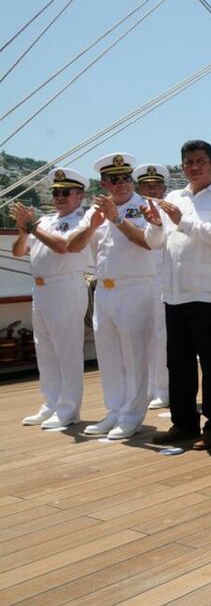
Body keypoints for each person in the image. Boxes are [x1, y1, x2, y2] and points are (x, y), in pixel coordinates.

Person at [143, 141, 211, 451]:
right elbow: (155, 242)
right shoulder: (173, 198)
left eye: (200, 161)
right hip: (175, 292)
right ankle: (183, 423)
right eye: (188, 162)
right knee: (178, 363)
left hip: (209, 293)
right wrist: (155, 224)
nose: (194, 167)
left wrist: (181, 220)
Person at [67, 153, 157, 440]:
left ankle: (132, 415)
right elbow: (72, 246)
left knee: (134, 355)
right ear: (104, 183)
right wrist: (93, 225)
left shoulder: (145, 207)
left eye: (125, 178)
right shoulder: (96, 211)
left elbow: (147, 242)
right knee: (108, 356)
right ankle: (115, 410)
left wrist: (116, 219)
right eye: (114, 179)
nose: (121, 184)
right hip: (105, 290)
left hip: (136, 287)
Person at [12, 168, 91, 429]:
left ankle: (68, 410)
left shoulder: (82, 221)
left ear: (79, 196)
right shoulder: (44, 222)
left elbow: (62, 246)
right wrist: (23, 232)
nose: (59, 197)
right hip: (41, 290)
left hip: (65, 287)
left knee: (67, 351)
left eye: (66, 192)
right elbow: (18, 251)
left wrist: (31, 227)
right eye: (56, 192)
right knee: (45, 350)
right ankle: (51, 404)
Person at [134, 164, 171, 411]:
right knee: (140, 335)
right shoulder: (132, 212)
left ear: (164, 188)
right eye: (148, 186)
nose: (152, 190)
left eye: (157, 186)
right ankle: (147, 387)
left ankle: (163, 389)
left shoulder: (169, 211)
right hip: (137, 279)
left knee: (161, 335)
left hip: (161, 277)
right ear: (140, 188)